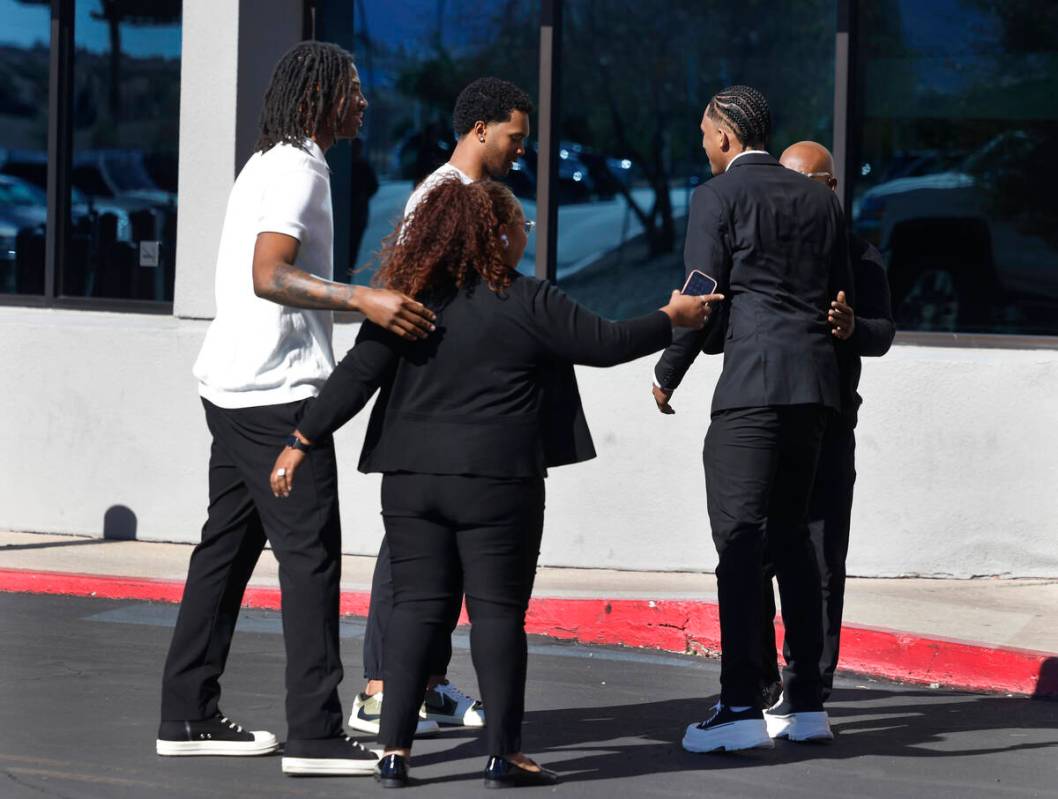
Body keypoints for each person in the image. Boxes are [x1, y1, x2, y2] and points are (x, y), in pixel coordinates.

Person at [269, 177, 717, 788]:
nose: (524, 237)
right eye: (520, 227)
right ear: (498, 234)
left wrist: (301, 442)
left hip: (410, 480)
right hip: (497, 483)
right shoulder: (530, 300)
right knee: (498, 615)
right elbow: (607, 344)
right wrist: (674, 316)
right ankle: (505, 753)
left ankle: (394, 751)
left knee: (417, 611)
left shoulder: (410, 301)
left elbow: (355, 376)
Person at [155, 42, 436, 777]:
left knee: (226, 550)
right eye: (353, 90)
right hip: (276, 395)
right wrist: (362, 295)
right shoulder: (301, 167)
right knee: (310, 561)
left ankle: (186, 712)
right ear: (320, 98)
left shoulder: (266, 161)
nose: (364, 102)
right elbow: (269, 273)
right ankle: (314, 732)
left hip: (232, 387)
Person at [652, 85, 853, 752]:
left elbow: (702, 290)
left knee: (739, 540)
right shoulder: (822, 200)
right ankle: (805, 704)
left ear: (728, 138)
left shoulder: (719, 196)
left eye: (706, 137)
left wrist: (667, 369)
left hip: (754, 388)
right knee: (793, 540)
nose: (703, 148)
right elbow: (838, 299)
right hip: (815, 389)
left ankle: (740, 704)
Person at [351, 76, 533, 737]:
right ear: (480, 128)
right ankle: (377, 692)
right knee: (409, 555)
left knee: (438, 560)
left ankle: (425, 685)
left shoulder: (468, 194)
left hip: (450, 409)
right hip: (426, 402)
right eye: (515, 137)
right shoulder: (442, 193)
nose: (520, 150)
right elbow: (413, 297)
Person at [758, 141, 896, 706]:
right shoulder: (764, 254)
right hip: (770, 423)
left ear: (831, 187)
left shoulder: (859, 256)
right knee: (758, 552)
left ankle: (812, 681)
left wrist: (851, 328)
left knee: (821, 558)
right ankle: (762, 680)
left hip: (833, 427)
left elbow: (883, 333)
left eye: (807, 185)